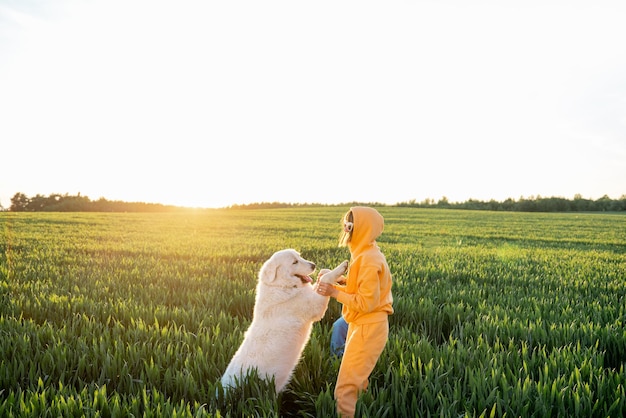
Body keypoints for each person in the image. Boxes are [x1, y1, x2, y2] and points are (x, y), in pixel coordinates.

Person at [317, 206, 394, 418]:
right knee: (357, 384)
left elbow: (365, 303)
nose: (346, 230)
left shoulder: (368, 259)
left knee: (345, 389)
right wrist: (338, 281)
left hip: (367, 327)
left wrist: (333, 291)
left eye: (350, 226)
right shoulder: (366, 253)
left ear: (362, 229)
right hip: (363, 324)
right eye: (345, 224)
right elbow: (361, 291)